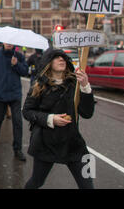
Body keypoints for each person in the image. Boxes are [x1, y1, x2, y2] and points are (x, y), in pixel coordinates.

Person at [22, 48, 96, 189]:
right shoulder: (39, 85)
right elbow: (27, 111)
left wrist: (86, 87)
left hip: (73, 144)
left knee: (88, 185)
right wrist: (50, 119)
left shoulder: (75, 84)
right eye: (56, 57)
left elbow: (87, 113)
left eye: (63, 57)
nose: (61, 59)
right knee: (36, 182)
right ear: (48, 63)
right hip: (46, 143)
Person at [0, 43, 29, 161]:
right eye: (6, 42)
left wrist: (17, 65)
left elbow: (25, 71)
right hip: (1, 95)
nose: (9, 44)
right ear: (3, 43)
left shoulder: (19, 56)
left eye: (11, 42)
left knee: (17, 121)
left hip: (15, 94)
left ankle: (17, 149)